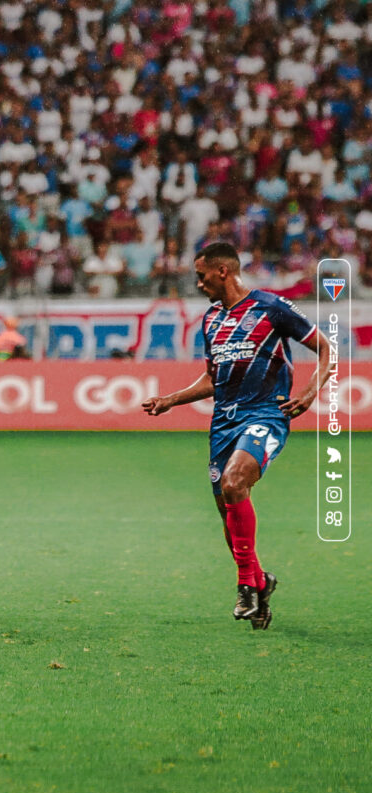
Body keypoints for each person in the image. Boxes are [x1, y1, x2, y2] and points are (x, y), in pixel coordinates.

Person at [141, 242, 333, 630]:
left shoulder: (271, 307)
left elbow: (326, 348)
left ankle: (246, 586)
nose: (198, 283)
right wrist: (170, 400)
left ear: (223, 271)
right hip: (223, 423)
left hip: (266, 413)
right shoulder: (211, 319)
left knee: (234, 482)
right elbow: (213, 377)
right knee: (229, 515)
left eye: (201, 275)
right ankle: (262, 583)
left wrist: (310, 395)